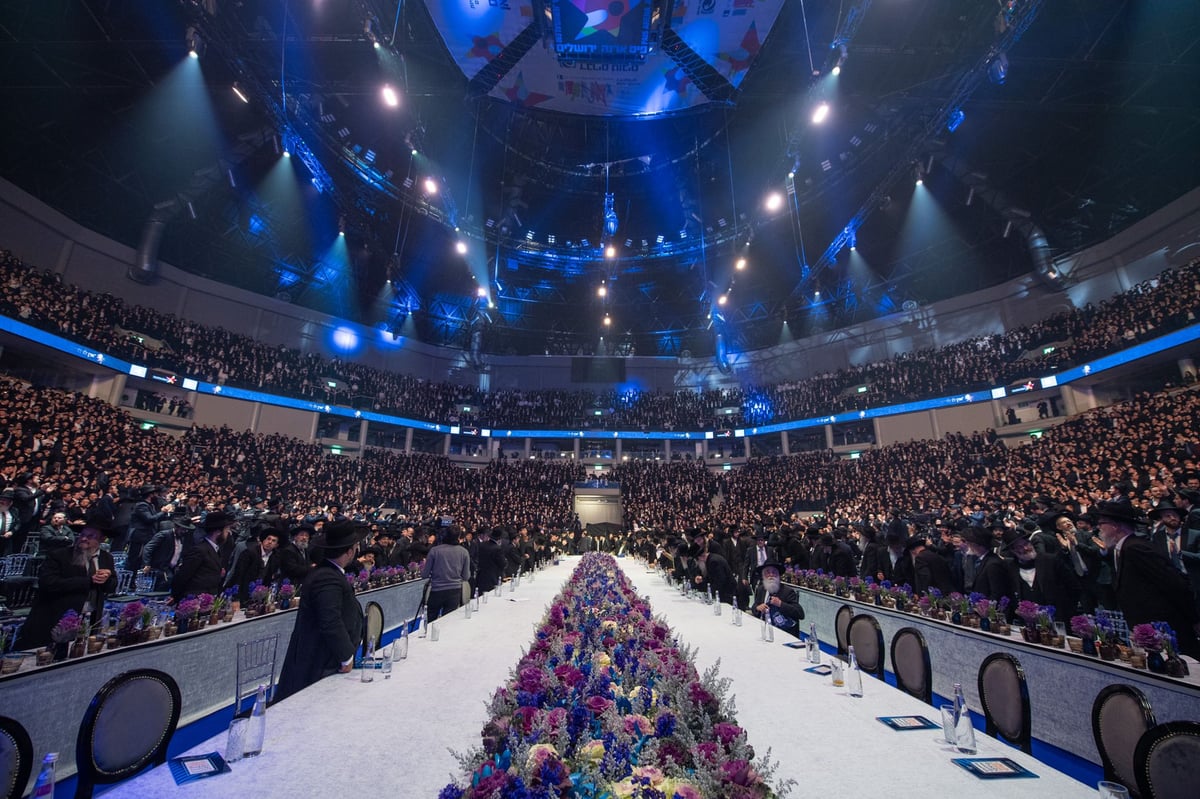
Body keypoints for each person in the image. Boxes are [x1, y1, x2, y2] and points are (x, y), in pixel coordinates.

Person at [1096, 500, 1200, 659]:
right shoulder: (1120, 549)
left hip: (1166, 628)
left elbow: (1174, 583)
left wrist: (1194, 619)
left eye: (1102, 523)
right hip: (1145, 628)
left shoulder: (1136, 548)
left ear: (1114, 525)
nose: (1099, 528)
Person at [275, 520, 365, 702]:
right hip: (320, 662)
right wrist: (346, 656)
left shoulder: (328, 572)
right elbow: (330, 620)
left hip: (323, 659)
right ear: (349, 551)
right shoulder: (326, 577)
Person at [14, 514, 116, 649]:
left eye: (91, 536)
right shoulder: (60, 555)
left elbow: (112, 586)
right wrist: (88, 581)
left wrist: (107, 579)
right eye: (82, 535)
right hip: (55, 618)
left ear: (102, 539)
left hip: (89, 620)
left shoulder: (106, 558)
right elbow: (48, 583)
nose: (84, 539)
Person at [171, 511, 232, 602]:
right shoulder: (199, 550)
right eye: (226, 530)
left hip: (208, 599)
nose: (228, 534)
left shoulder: (215, 549)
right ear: (218, 532)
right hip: (195, 600)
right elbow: (183, 576)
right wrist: (175, 597)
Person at [421, 525, 471, 621]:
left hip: (436, 590)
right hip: (455, 591)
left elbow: (425, 575)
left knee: (430, 621)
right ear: (458, 536)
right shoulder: (464, 552)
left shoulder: (434, 551)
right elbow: (466, 577)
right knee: (448, 622)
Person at [751, 562, 805, 637]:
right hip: (765, 631)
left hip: (785, 634)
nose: (771, 575)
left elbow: (800, 614)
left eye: (774, 572)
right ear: (763, 576)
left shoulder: (788, 592)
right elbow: (754, 606)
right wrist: (758, 608)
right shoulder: (761, 590)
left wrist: (780, 604)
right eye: (767, 572)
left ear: (779, 576)